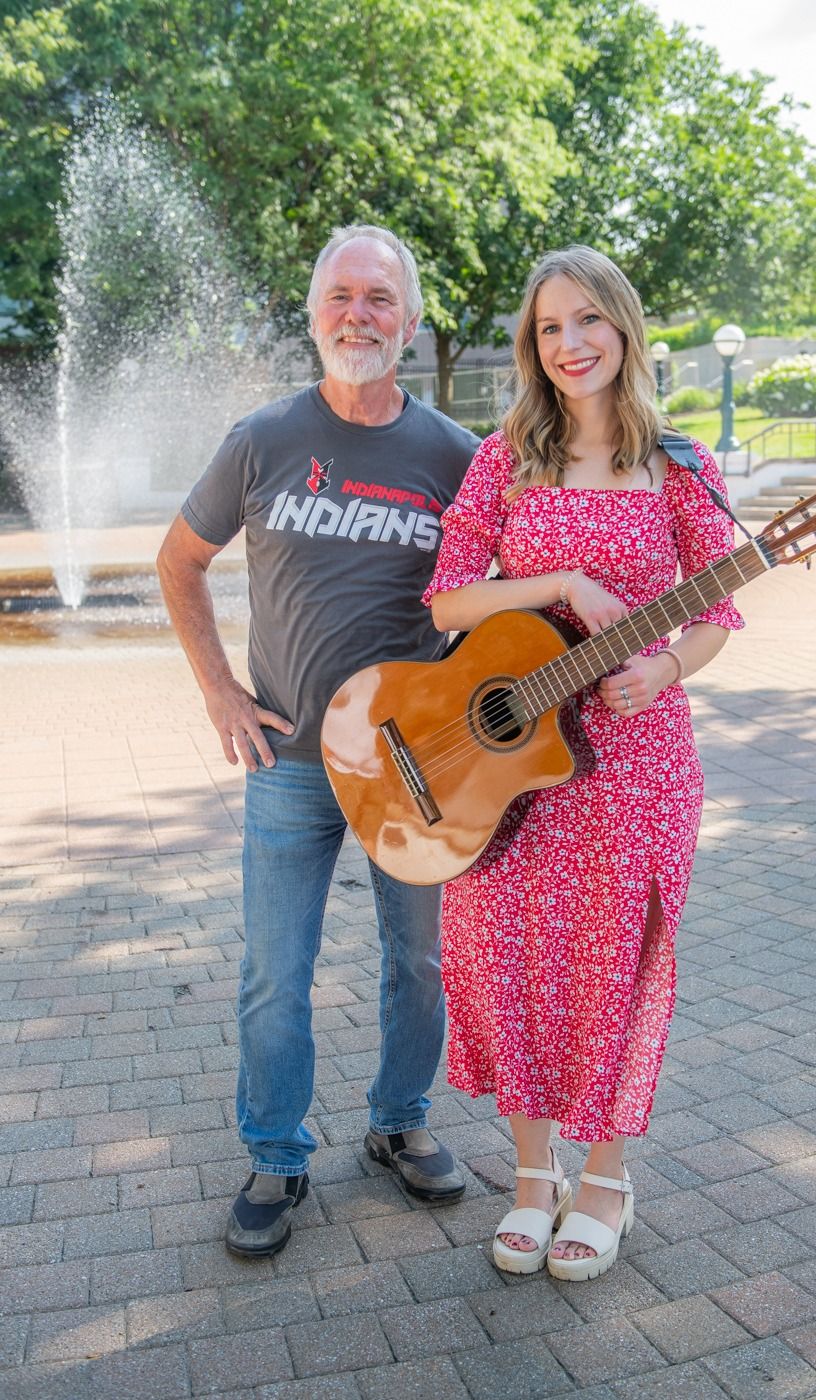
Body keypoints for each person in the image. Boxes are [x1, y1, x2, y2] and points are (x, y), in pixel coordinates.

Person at [423, 245, 744, 1282]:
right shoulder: (504, 455)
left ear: (626, 328)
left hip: (639, 763)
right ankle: (530, 1174)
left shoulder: (681, 464)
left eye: (589, 321)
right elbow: (448, 600)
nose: (571, 344)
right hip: (507, 768)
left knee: (619, 959)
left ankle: (603, 1177)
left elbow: (719, 606)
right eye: (551, 327)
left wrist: (665, 668)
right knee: (501, 954)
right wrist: (553, 577)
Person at [157, 224, 478, 1257]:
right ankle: (276, 1151)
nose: (358, 314)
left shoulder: (455, 457)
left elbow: (496, 609)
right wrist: (219, 691)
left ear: (411, 319)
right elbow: (180, 560)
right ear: (312, 314)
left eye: (380, 299)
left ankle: (398, 1120)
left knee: (418, 962)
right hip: (289, 762)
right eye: (341, 296)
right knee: (273, 970)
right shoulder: (261, 438)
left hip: (415, 768)